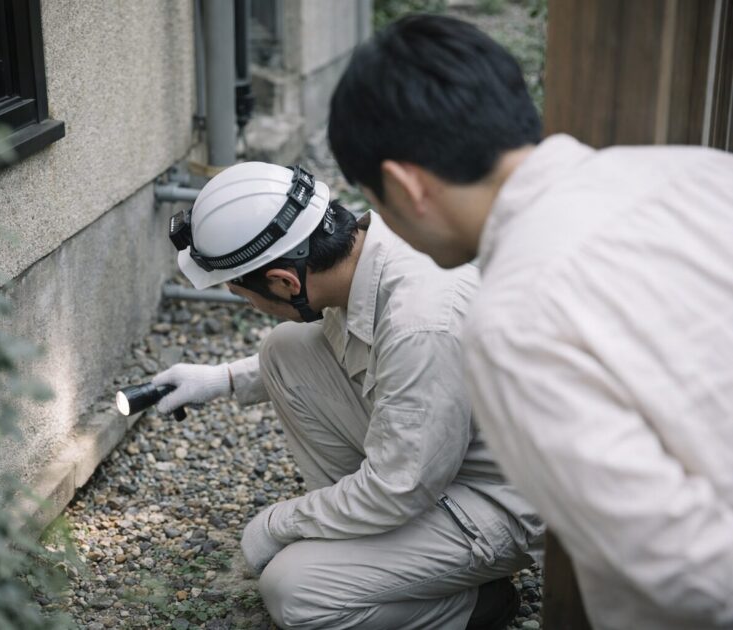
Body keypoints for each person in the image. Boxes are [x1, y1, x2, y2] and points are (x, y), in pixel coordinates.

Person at [327, 13, 733, 630]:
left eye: (372, 205)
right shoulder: (699, 170)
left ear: (404, 186)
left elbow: (681, 567)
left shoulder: (517, 319)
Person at [155, 160, 542, 629]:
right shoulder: (364, 253)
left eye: (243, 294)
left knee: (294, 593)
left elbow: (398, 486)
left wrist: (281, 522)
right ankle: (375, 552)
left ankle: (474, 605)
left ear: (284, 282)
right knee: (286, 349)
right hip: (444, 459)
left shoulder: (419, 322)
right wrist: (223, 379)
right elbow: (362, 354)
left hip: (499, 503)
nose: (251, 305)